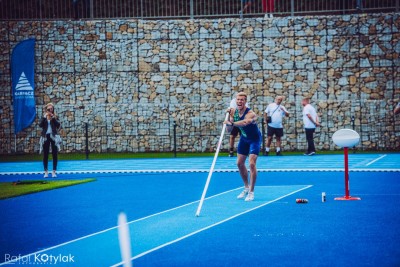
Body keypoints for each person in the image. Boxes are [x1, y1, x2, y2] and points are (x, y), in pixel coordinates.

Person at [224, 92, 261, 201]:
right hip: (244, 139)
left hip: (254, 139)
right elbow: (229, 130)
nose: (240, 101)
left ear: (245, 101)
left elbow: (245, 122)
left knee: (252, 164)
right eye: (238, 99)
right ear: (236, 101)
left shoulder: (250, 113)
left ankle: (251, 192)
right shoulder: (234, 112)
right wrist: (228, 121)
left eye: (242, 100)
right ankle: (246, 187)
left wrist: (232, 123)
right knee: (239, 163)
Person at [39, 103, 61, 178]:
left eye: (51, 109)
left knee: (54, 154)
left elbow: (58, 125)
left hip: (53, 136)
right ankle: (46, 172)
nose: (50, 110)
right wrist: (45, 118)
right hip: (46, 136)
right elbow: (40, 125)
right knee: (45, 154)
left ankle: (54, 171)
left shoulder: (55, 116)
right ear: (46, 109)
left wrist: (53, 118)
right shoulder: (44, 116)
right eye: (49, 109)